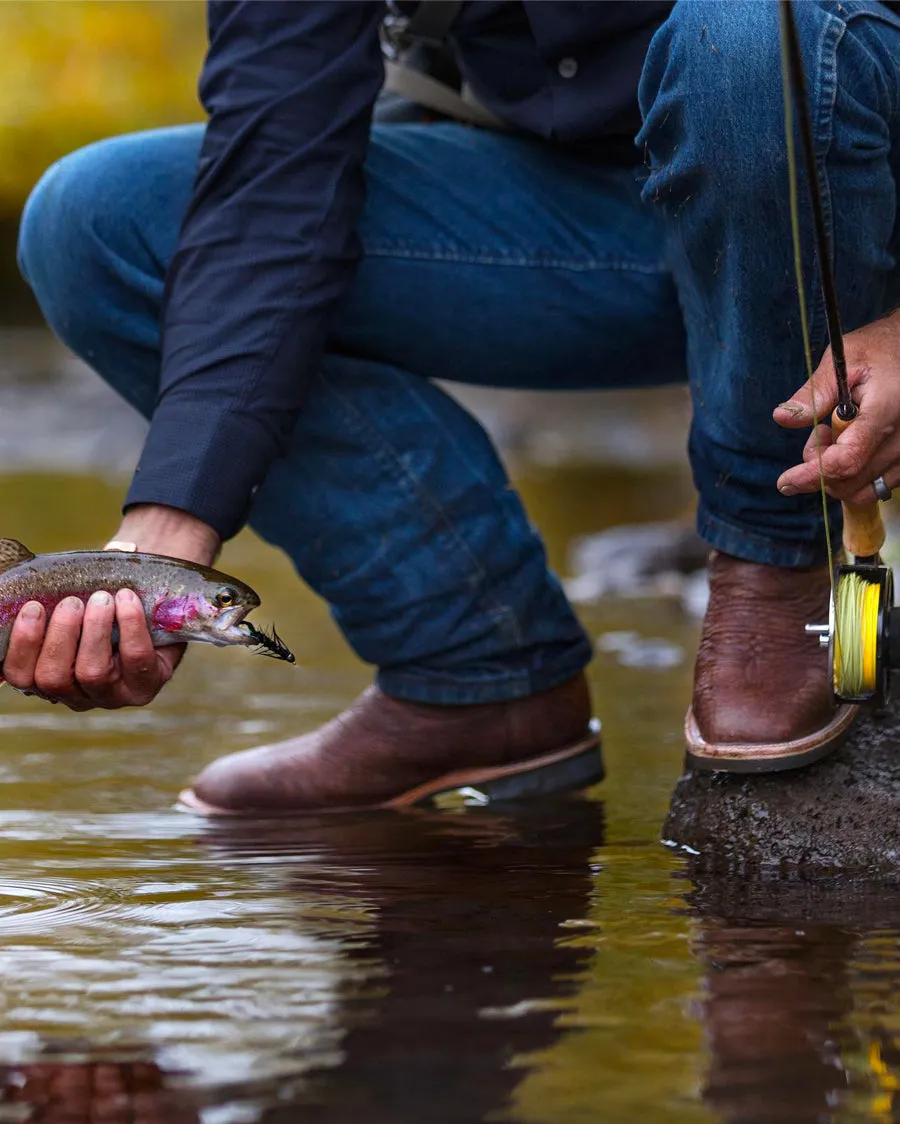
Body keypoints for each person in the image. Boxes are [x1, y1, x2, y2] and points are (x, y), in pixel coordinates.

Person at [13, 0, 900, 812]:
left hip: (850, 191)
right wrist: (168, 527)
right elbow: (270, 179)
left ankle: (779, 553)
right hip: (584, 219)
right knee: (97, 223)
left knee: (747, 37)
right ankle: (475, 673)